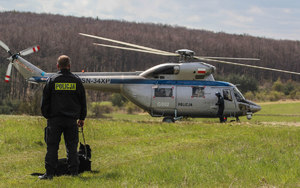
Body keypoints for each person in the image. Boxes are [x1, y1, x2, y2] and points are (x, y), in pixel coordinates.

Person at [39, 55, 87, 180]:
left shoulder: (52, 80)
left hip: (54, 120)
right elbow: (83, 101)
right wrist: (82, 118)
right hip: (71, 120)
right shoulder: (76, 81)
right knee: (72, 147)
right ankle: (74, 173)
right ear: (69, 66)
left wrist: (47, 115)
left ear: (57, 66)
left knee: (52, 147)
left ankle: (49, 174)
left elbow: (45, 102)